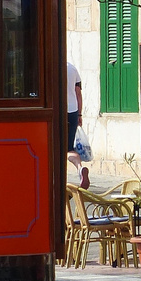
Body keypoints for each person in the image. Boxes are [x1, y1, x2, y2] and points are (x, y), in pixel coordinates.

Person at [66, 59, 88, 188]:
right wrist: (79, 114)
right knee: (69, 148)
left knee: (55, 149)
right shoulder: (72, 69)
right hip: (72, 111)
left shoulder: (50, 67)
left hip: (56, 112)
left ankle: (59, 181)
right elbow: (78, 93)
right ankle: (79, 168)